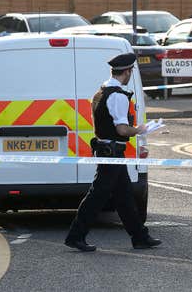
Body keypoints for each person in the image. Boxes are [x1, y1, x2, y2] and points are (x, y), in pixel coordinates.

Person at [65, 52, 162, 251]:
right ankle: (75, 236)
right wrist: (141, 130)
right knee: (97, 196)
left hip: (108, 150)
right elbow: (121, 129)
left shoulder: (101, 91)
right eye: (131, 71)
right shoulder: (118, 96)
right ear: (127, 71)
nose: (130, 74)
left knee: (124, 196)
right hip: (111, 152)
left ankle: (139, 237)